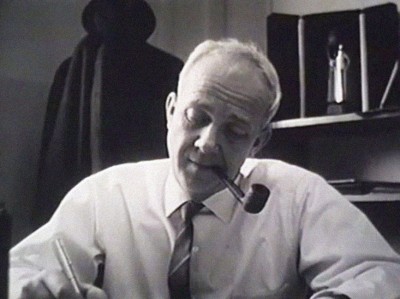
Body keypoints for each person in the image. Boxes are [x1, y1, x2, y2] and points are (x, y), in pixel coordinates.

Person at [9, 39, 400, 298]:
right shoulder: (104, 195)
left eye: (235, 131)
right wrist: (43, 291)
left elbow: (382, 275)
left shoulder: (297, 194)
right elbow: (22, 270)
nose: (208, 143)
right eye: (197, 117)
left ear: (258, 142)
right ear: (170, 111)